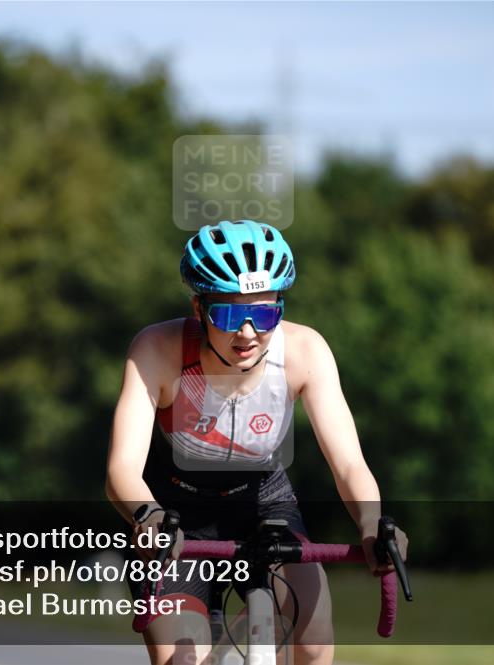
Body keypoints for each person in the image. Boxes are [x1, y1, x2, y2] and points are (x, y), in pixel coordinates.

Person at [106, 219, 408, 665]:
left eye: (265, 314)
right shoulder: (157, 350)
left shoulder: (305, 352)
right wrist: (147, 517)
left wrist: (371, 526)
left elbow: (348, 465)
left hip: (266, 503)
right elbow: (121, 470)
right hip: (174, 516)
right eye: (228, 314)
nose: (247, 333)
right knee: (181, 660)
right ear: (198, 308)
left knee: (315, 640)